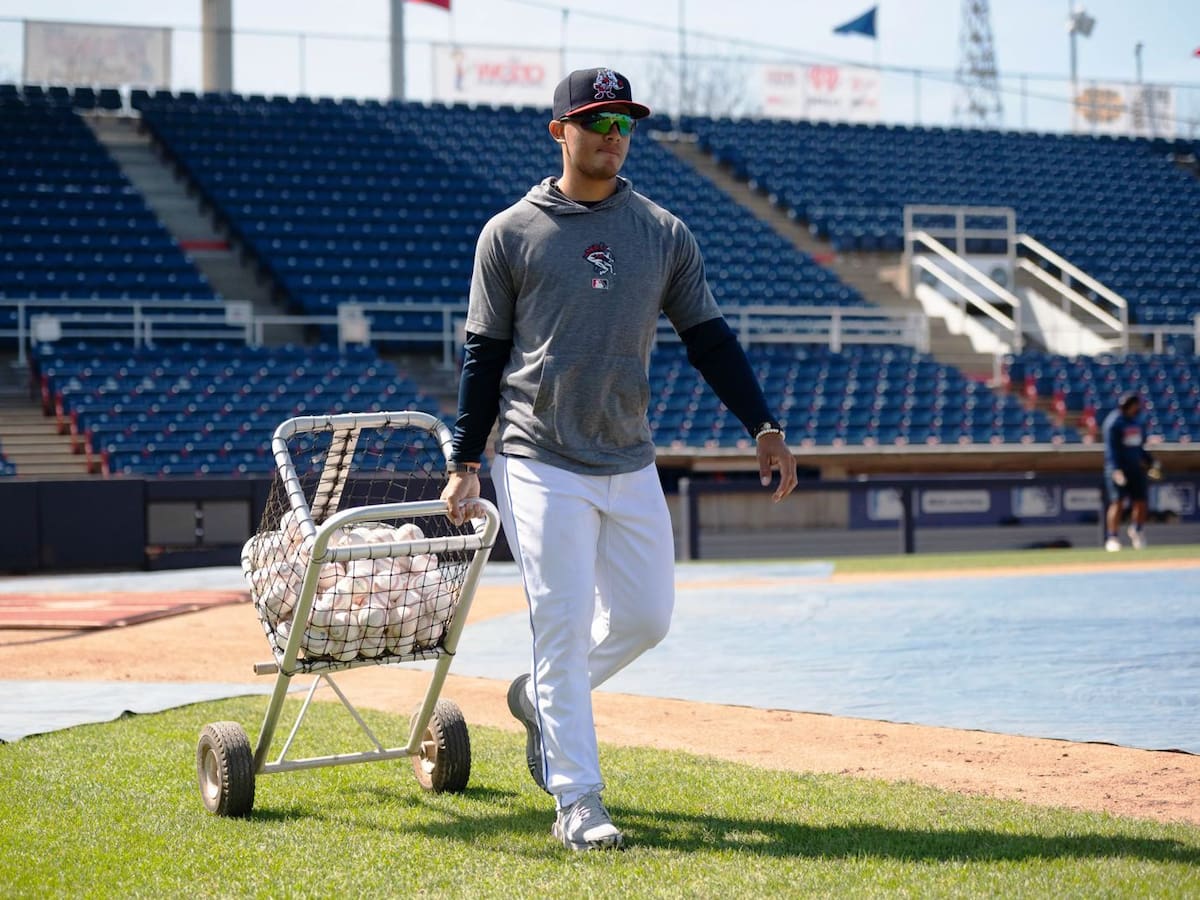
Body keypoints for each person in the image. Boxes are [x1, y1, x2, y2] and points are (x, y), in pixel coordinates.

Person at [440, 66, 798, 851]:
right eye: (597, 120)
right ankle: (579, 800)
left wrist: (762, 424)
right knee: (562, 626)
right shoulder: (509, 233)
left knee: (646, 619)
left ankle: (539, 698)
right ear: (560, 131)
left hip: (628, 454)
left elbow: (708, 339)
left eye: (625, 122)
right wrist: (467, 461)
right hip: (538, 457)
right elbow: (483, 354)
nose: (612, 134)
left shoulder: (663, 232)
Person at [1101, 391, 1160, 551]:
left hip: (1137, 469)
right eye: (1136, 405)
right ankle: (1112, 537)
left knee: (1140, 502)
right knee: (1117, 502)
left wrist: (1151, 462)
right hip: (1119, 469)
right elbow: (1111, 449)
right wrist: (1115, 470)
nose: (1138, 408)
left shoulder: (1137, 421)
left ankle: (1137, 530)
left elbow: (1139, 447)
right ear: (1130, 405)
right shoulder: (1114, 422)